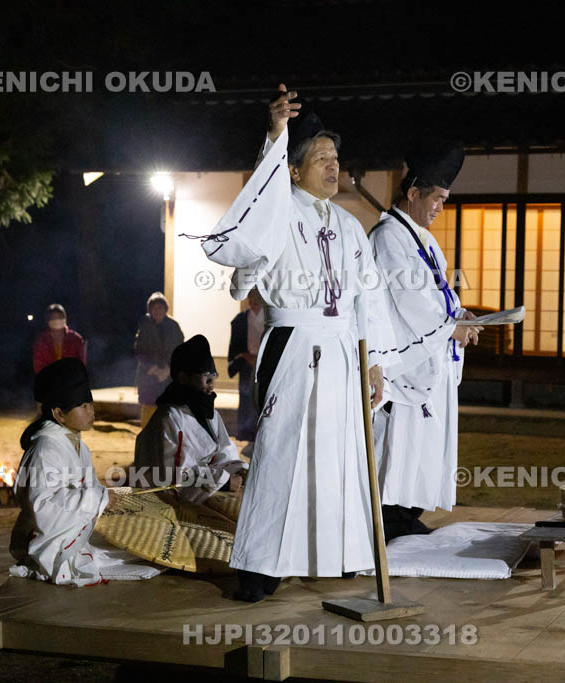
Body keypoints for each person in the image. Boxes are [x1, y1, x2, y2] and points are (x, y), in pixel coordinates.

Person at [187, 84, 399, 602]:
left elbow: (366, 300)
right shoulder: (279, 211)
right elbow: (256, 211)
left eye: (336, 158)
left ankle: (335, 554)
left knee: (339, 453)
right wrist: (275, 136)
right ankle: (260, 568)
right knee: (283, 453)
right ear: (295, 169)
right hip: (294, 345)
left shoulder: (350, 227)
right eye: (320, 158)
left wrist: (373, 362)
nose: (333, 166)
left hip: (344, 348)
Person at [369, 140, 482, 541]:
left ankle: (403, 516)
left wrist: (458, 314)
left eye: (445, 200)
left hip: (430, 359)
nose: (439, 207)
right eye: (436, 198)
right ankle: (388, 521)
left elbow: (437, 295)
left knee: (424, 450)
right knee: (399, 452)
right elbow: (410, 300)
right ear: (413, 192)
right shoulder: (388, 238)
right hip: (405, 366)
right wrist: (450, 327)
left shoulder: (423, 240)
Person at [9, 358, 160, 586]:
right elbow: (42, 506)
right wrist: (98, 498)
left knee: (142, 555)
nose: (92, 412)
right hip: (45, 539)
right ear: (59, 414)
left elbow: (89, 487)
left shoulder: (79, 445)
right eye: (83, 407)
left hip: (73, 531)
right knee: (129, 562)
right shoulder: (46, 449)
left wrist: (106, 498)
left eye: (90, 404)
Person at [134, 335, 246, 501]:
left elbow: (224, 452)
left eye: (213, 376)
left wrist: (239, 469)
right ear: (183, 378)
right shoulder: (169, 418)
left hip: (205, 492)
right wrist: (224, 482)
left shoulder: (210, 415)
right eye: (205, 377)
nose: (211, 385)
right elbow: (174, 477)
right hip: (170, 503)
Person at [134, 292, 184, 427]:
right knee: (149, 409)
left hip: (169, 376)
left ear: (165, 309)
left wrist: (167, 369)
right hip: (149, 375)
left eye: (160, 307)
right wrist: (153, 368)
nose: (157, 311)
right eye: (154, 308)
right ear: (149, 310)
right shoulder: (145, 325)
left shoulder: (174, 327)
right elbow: (139, 351)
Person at [227, 288, 265, 442]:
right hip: (247, 362)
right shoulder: (241, 319)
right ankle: (244, 432)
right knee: (245, 396)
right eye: (251, 297)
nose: (254, 301)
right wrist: (242, 356)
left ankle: (260, 432)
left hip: (264, 363)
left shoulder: (270, 317)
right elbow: (235, 343)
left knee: (262, 397)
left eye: (257, 297)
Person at [32, 303, 86, 374]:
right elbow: (38, 365)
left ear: (65, 319)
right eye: (53, 318)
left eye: (59, 317)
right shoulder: (41, 341)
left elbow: (81, 364)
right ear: (48, 320)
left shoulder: (76, 339)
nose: (57, 320)